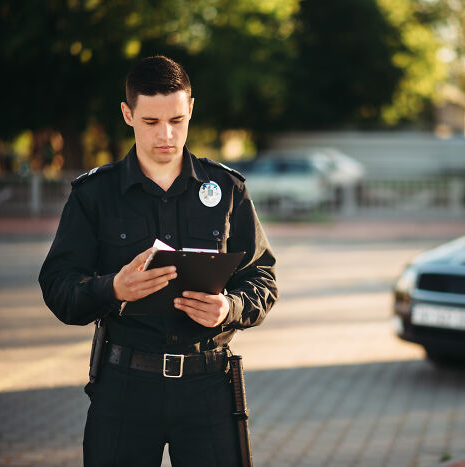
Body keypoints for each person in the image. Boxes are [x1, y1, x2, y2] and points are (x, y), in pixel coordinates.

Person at [39, 55, 278, 466]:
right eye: (151, 122)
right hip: (125, 389)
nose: (166, 135)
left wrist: (229, 307)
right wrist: (112, 287)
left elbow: (263, 278)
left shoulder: (226, 188)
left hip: (209, 388)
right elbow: (59, 286)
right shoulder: (95, 194)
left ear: (190, 110)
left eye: (177, 120)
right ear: (127, 114)